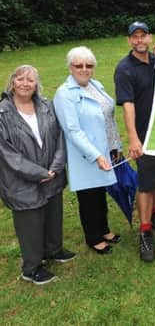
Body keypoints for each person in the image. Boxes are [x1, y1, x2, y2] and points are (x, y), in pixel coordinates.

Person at [0, 65, 74, 285]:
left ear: (36, 84)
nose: (25, 83)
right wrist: (38, 173)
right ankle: (31, 268)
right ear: (12, 82)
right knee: (29, 223)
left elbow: (60, 136)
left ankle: (54, 250)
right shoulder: (3, 113)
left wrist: (56, 166)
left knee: (53, 214)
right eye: (20, 79)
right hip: (21, 180)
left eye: (30, 80)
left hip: (52, 173)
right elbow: (7, 154)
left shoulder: (46, 106)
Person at [114, 21, 155, 263]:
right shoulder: (124, 69)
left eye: (143, 36)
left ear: (150, 38)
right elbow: (127, 105)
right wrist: (133, 137)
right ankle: (145, 231)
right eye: (135, 37)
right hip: (144, 136)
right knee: (145, 183)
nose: (140, 40)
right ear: (129, 40)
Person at [54, 47, 122, 255]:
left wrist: (115, 146)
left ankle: (104, 229)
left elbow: (109, 118)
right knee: (89, 196)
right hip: (86, 154)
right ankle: (93, 237)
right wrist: (96, 155)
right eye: (78, 65)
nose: (84, 69)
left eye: (89, 65)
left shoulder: (96, 85)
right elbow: (73, 131)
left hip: (106, 148)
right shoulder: (64, 94)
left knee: (101, 192)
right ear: (70, 67)